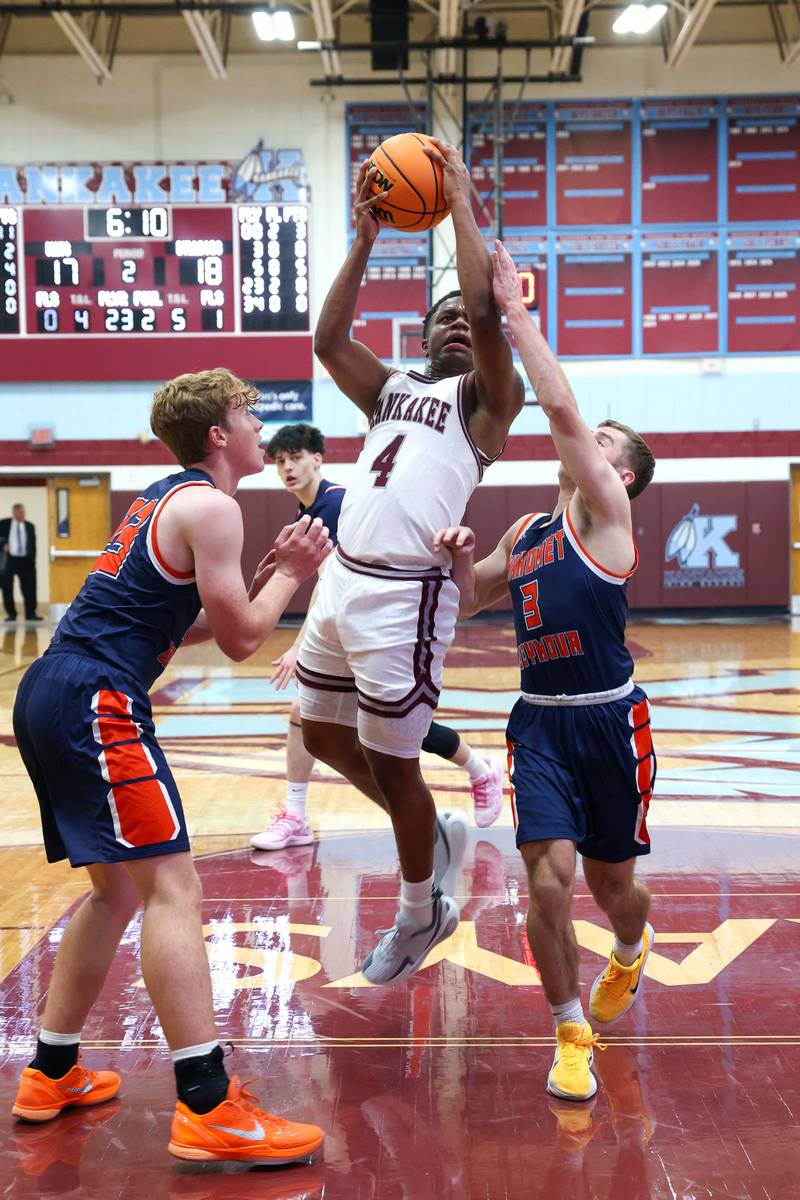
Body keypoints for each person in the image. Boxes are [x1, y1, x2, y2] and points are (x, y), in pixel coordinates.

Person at [10, 368, 329, 1165]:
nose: (261, 426)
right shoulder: (215, 507)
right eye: (250, 413)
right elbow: (244, 641)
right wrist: (292, 570)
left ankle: (50, 1072)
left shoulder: (161, 498)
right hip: (94, 698)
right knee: (172, 888)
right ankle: (207, 1103)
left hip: (52, 688)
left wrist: (257, 587)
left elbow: (170, 620)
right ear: (220, 434)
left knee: (118, 889)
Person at [297, 141, 524, 986]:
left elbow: (486, 314)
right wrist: (363, 237)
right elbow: (327, 338)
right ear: (421, 335)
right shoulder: (391, 388)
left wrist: (459, 200)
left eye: (465, 317)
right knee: (319, 732)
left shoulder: (490, 405)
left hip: (404, 595)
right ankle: (428, 835)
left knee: (395, 761)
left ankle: (419, 907)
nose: (458, 322)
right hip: (340, 582)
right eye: (443, 318)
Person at [434, 240, 656, 1102]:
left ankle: (633, 949)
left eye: (604, 442)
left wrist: (518, 320)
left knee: (613, 888)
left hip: (610, 717)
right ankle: (569, 1029)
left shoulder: (609, 514)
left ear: (623, 473)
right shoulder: (527, 531)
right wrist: (456, 558)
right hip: (541, 721)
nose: (582, 440)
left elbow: (562, 412)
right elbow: (473, 599)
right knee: (549, 880)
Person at [250, 421, 504, 852]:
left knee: (367, 722)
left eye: (295, 458)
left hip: (386, 618)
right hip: (352, 622)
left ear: (317, 459)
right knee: (356, 724)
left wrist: (298, 645)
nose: (287, 467)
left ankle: (304, 815)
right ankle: (476, 772)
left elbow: (334, 583)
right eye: (279, 461)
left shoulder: (333, 504)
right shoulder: (308, 510)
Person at [1, 503, 42, 622]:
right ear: (14, 513)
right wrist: (3, 544)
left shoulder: (29, 526)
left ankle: (30, 613)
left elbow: (33, 545)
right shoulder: (4, 524)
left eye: (24, 512)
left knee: (30, 587)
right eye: (20, 512)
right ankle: (11, 614)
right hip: (9, 561)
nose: (22, 514)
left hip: (26, 561)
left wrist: (33, 560)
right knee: (7, 587)